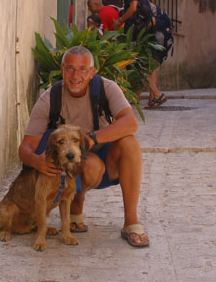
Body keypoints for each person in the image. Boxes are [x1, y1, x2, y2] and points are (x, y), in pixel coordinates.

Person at [18, 46, 150, 247]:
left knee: (130, 141)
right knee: (88, 165)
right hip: (76, 165)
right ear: (62, 71)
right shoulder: (50, 98)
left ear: (92, 73)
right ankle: (75, 209)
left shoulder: (107, 88)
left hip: (108, 161)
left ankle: (131, 221)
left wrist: (92, 139)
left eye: (82, 69)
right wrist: (36, 162)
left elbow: (131, 122)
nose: (75, 75)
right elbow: (26, 147)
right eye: (69, 69)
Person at [140, 0, 166, 109]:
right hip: (158, 42)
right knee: (153, 69)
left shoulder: (145, 7)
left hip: (147, 40)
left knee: (143, 69)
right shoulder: (158, 8)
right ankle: (153, 100)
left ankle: (157, 95)